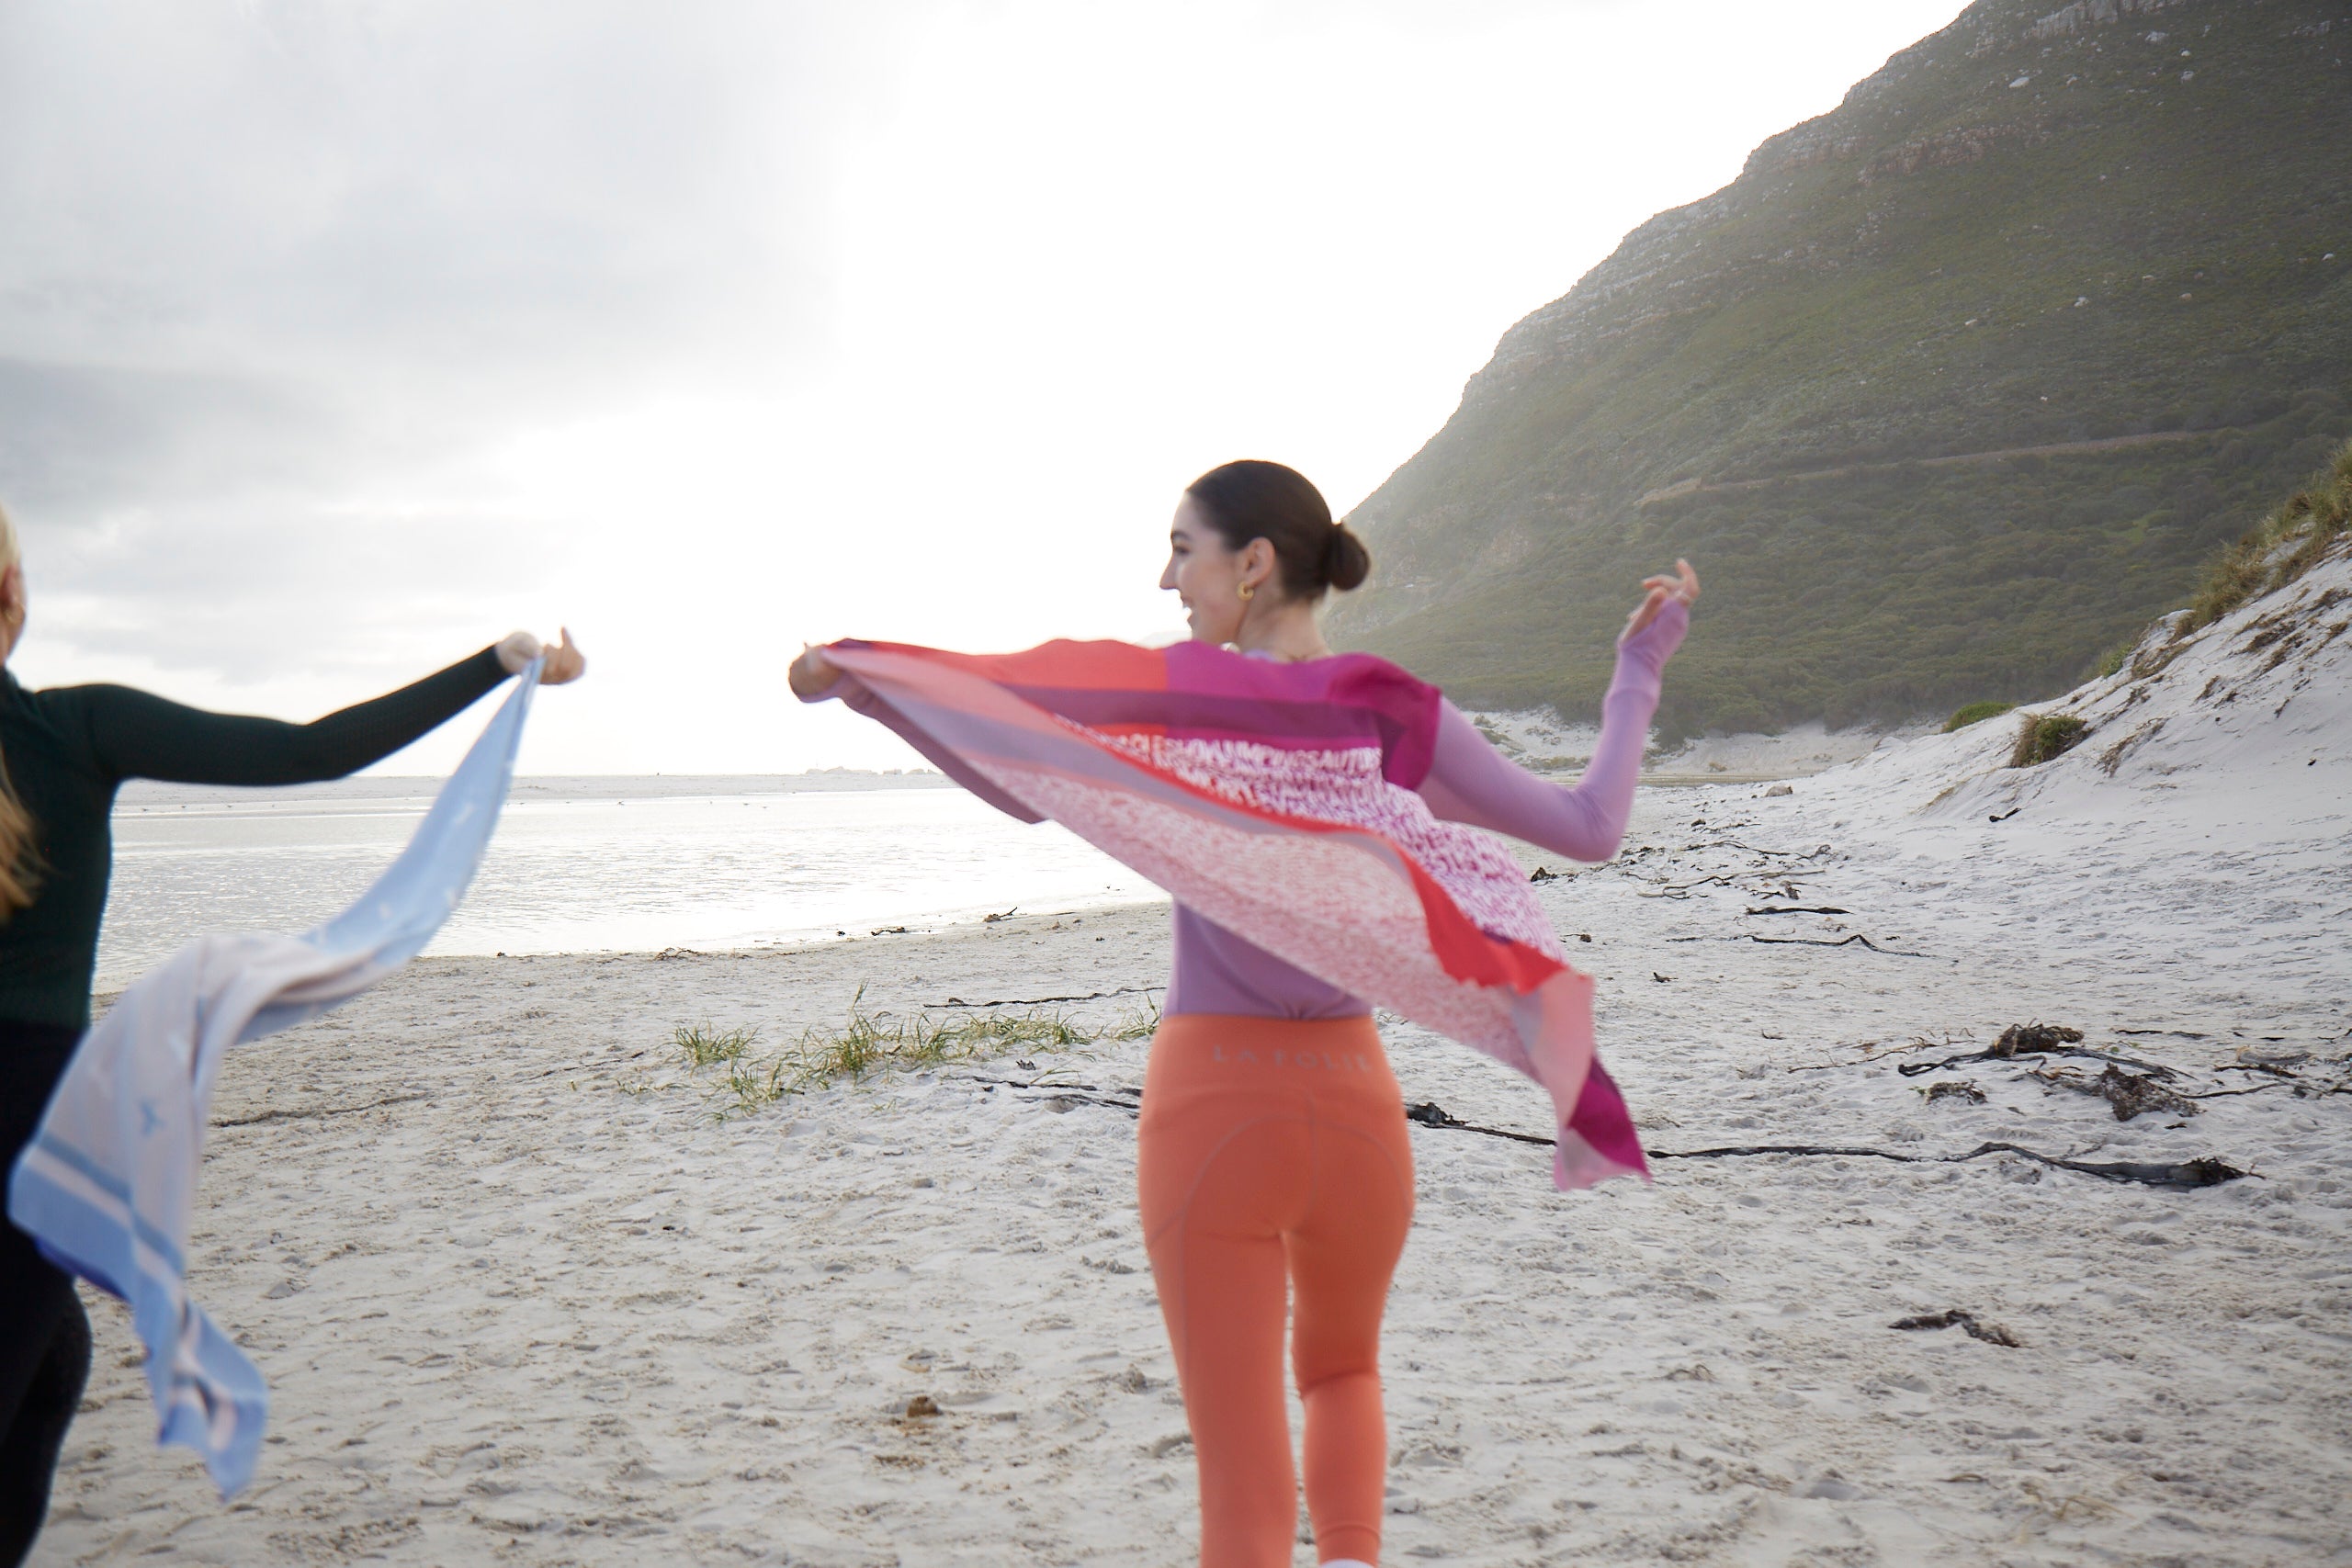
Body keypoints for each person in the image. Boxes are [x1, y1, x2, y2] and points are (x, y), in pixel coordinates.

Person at [791, 459, 1693, 1568]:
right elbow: (1591, 825)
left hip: (1212, 1107)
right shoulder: (1389, 710)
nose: (1167, 578)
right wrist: (1637, 666)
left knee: (1238, 1464)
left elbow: (1021, 764)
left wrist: (867, 681)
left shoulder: (1185, 694)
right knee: (1346, 1374)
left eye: (1182, 548)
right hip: (1359, 1117)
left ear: (1253, 563)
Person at [0, 501, 585, 1567]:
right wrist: (493, 666)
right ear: (12, 596)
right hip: (28, 1110)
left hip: (31, 1106)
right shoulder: (72, 729)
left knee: (46, 1372)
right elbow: (312, 751)